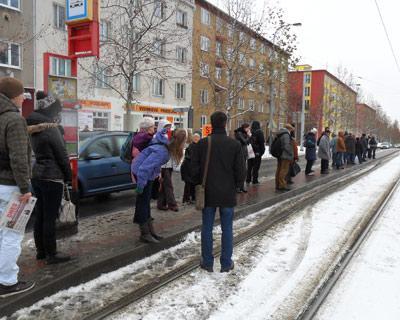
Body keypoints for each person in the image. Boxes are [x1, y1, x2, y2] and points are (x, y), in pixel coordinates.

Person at [191, 111, 245, 273]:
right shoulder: (234, 144)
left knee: (207, 227)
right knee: (227, 228)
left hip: (207, 192)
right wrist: (236, 186)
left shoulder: (202, 144)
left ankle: (207, 262)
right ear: (225, 123)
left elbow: (194, 169)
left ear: (211, 124)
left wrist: (198, 183)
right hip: (227, 193)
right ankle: (226, 263)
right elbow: (241, 171)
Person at [26, 93, 73, 265]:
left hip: (37, 175)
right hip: (52, 177)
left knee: (40, 215)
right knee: (50, 217)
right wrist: (69, 177)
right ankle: (52, 254)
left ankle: (41, 252)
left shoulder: (33, 126)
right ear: (51, 110)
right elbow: (62, 156)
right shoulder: (51, 128)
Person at [0, 77, 35, 297]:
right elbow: (19, 158)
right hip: (12, 187)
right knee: (11, 234)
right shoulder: (14, 120)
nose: (23, 98)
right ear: (15, 95)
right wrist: (25, 188)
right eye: (22, 94)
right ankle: (7, 282)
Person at [132, 128, 187, 243]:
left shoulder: (165, 147)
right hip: (140, 174)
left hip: (147, 174)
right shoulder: (163, 151)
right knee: (143, 203)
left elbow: (153, 164)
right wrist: (140, 186)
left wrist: (157, 174)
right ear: (179, 142)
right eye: (184, 142)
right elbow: (143, 169)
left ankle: (150, 231)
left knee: (145, 202)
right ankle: (145, 233)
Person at [157, 120, 180, 211]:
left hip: (168, 164)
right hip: (162, 165)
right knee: (168, 185)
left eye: (169, 126)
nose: (168, 128)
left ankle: (161, 203)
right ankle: (172, 204)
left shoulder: (169, 136)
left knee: (164, 185)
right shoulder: (158, 137)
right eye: (166, 126)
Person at [130, 117, 156, 184]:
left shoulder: (137, 136)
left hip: (135, 168)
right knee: (147, 192)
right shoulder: (149, 138)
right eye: (153, 126)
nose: (154, 128)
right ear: (149, 128)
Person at [181, 132, 201, 204]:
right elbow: (187, 158)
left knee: (195, 185)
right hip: (189, 169)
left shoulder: (200, 147)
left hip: (196, 169)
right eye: (194, 137)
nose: (196, 139)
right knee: (188, 185)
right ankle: (186, 199)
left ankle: (193, 198)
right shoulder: (190, 147)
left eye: (197, 137)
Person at [275, 124, 294, 191]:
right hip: (285, 155)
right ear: (290, 129)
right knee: (284, 170)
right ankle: (282, 185)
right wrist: (291, 153)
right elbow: (286, 146)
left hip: (281, 154)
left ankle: (278, 184)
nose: (292, 131)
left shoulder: (281, 133)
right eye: (291, 130)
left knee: (279, 170)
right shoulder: (286, 135)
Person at [234, 123, 252, 192]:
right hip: (239, 153)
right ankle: (238, 187)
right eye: (248, 128)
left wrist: (249, 137)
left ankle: (241, 186)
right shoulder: (239, 133)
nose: (249, 129)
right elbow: (244, 142)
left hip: (244, 153)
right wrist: (249, 136)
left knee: (244, 171)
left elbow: (248, 143)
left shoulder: (243, 133)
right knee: (240, 170)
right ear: (245, 128)